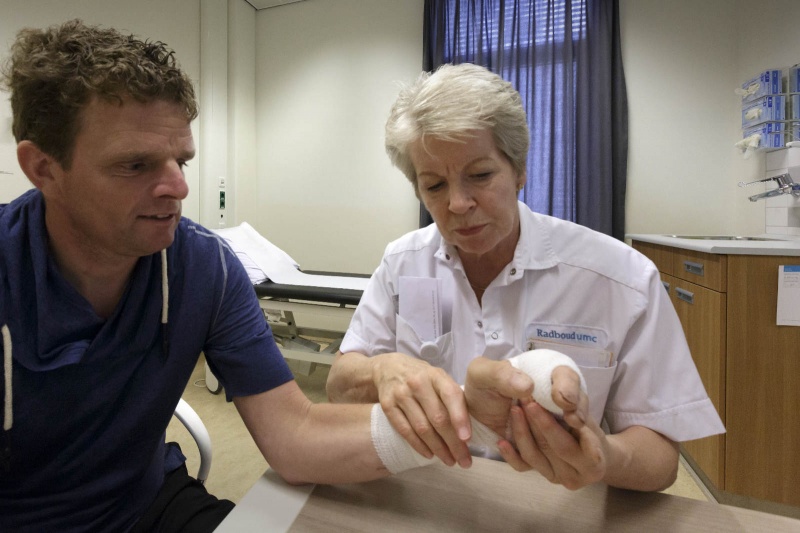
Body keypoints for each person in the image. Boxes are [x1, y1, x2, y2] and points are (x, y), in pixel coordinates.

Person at [0, 21, 565, 532]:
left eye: (182, 161)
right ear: (43, 168)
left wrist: (471, 420)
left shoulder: (204, 270)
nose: (178, 188)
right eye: (135, 165)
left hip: (145, 506)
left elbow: (295, 439)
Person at [326, 63, 726, 492]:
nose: (458, 203)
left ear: (519, 169)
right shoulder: (404, 264)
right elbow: (338, 383)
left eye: (480, 175)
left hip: (557, 508)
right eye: (434, 186)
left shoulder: (619, 280)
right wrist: (382, 370)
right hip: (428, 500)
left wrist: (605, 457)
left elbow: (661, 462)